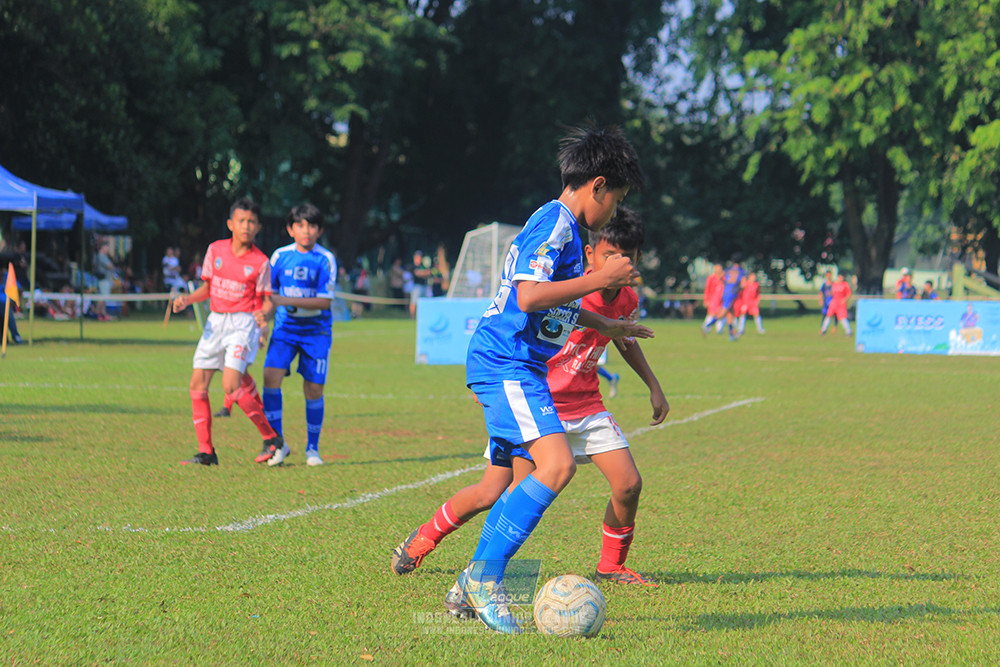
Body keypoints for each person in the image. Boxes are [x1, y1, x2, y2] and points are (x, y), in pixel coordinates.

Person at [390, 208, 668, 600]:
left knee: (629, 483)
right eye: (610, 255)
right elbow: (521, 323)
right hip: (535, 400)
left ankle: (612, 566)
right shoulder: (568, 288)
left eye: (627, 256)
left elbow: (626, 340)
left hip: (587, 405)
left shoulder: (627, 298)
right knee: (496, 492)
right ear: (591, 254)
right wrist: (495, 384)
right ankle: (431, 543)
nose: (618, 264)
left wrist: (654, 386)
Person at [442, 124, 651, 634]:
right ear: (597, 186)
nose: (614, 212)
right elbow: (529, 296)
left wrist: (605, 323)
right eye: (616, 198)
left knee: (530, 475)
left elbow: (555, 308)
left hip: (521, 364)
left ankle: (470, 584)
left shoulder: (569, 232)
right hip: (505, 359)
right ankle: (483, 579)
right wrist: (600, 279)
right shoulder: (556, 222)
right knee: (556, 466)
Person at [172, 197, 283, 466]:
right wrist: (187, 300)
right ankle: (207, 452)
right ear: (230, 223)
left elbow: (267, 301)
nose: (246, 226)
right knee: (197, 385)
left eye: (252, 222)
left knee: (231, 385)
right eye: (241, 220)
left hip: (242, 325)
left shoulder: (261, 262)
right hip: (215, 323)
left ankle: (271, 438)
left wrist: (265, 317)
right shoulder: (215, 250)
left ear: (258, 227)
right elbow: (207, 289)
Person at [259, 203, 337, 467]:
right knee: (270, 377)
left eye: (312, 226)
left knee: (314, 388)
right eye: (300, 225)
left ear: (320, 230)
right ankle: (278, 444)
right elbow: (270, 297)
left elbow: (324, 302)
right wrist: (264, 320)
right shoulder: (279, 257)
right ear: (290, 229)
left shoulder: (325, 259)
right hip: (285, 329)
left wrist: (282, 299)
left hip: (316, 332)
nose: (306, 231)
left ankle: (312, 449)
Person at [93, 243, 117, 321]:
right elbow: (110, 266)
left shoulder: (102, 256)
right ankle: (97, 313)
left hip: (105, 280)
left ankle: (103, 314)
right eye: (107, 247)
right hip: (103, 280)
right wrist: (112, 266)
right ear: (103, 247)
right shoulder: (101, 256)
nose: (108, 249)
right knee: (102, 297)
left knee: (104, 298)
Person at [700, 264, 724, 335]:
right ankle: (706, 327)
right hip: (713, 299)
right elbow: (707, 289)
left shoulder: (724, 278)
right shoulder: (711, 278)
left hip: (722, 299)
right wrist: (706, 300)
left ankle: (719, 329)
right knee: (712, 313)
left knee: (721, 313)